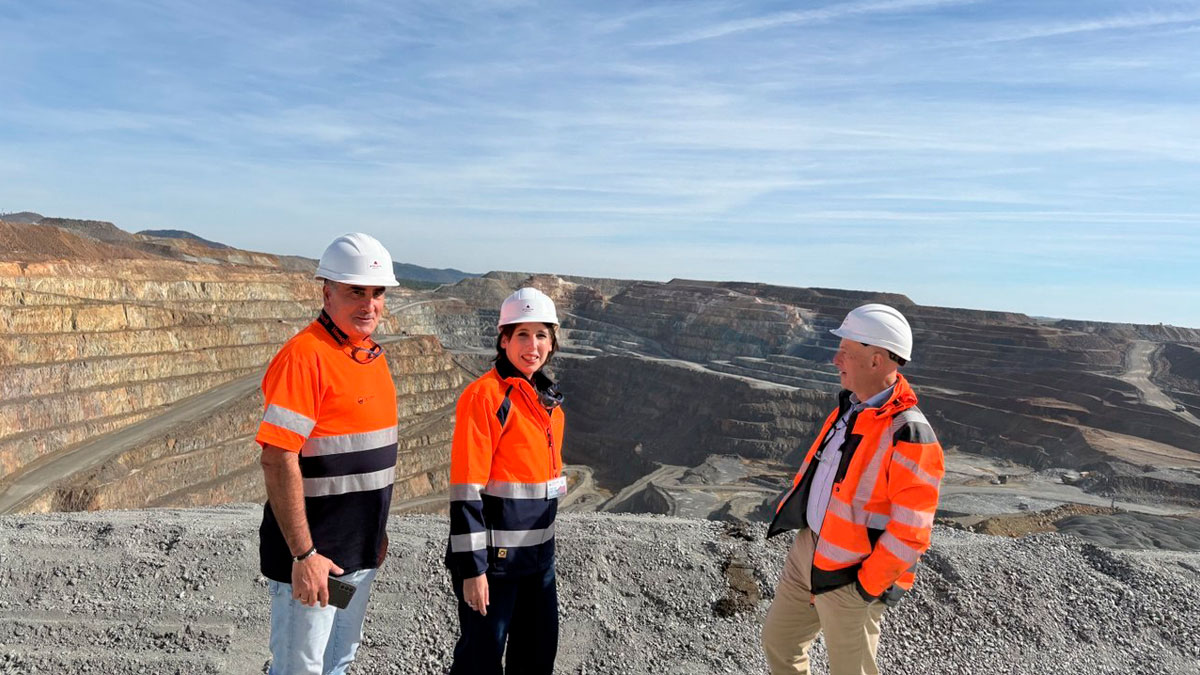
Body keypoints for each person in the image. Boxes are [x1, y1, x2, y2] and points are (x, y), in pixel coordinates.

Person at [762, 303, 944, 675]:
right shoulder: (850, 409)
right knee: (779, 645)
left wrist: (864, 587)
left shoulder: (909, 434)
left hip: (852, 574)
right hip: (808, 553)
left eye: (845, 352)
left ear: (876, 361)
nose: (835, 359)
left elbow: (912, 532)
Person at [256, 233, 400, 675]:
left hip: (356, 558)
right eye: (356, 290)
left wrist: (373, 534)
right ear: (327, 292)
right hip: (317, 563)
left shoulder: (369, 357)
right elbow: (278, 456)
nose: (369, 304)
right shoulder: (305, 356)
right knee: (301, 668)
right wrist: (304, 557)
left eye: (377, 293)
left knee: (339, 659)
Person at [446, 287, 566, 675]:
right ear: (504, 340)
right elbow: (467, 489)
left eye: (542, 335)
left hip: (536, 564)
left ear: (552, 342)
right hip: (493, 568)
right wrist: (472, 571)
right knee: (480, 663)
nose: (533, 345)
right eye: (522, 335)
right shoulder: (485, 397)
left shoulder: (548, 403)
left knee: (536, 658)